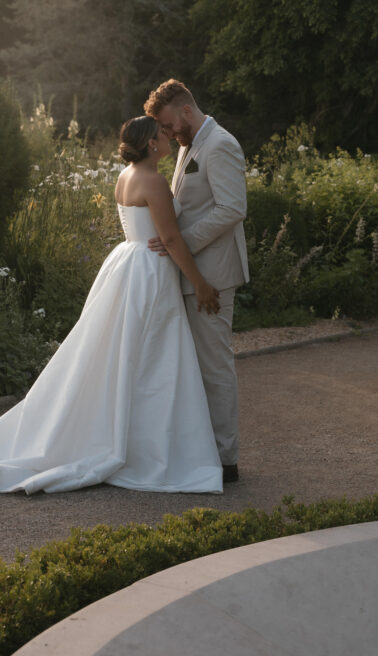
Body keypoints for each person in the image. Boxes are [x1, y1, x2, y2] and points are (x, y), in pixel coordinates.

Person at [0, 116, 224, 494]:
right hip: (148, 271)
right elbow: (172, 240)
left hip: (129, 263)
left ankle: (128, 432)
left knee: (126, 354)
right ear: (148, 143)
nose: (168, 137)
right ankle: (145, 446)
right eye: (161, 134)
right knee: (148, 355)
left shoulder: (125, 176)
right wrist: (201, 285)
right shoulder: (154, 180)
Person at [144, 80, 248, 483]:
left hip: (214, 275)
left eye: (169, 124)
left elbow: (232, 209)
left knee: (215, 366)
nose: (168, 134)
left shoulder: (219, 144)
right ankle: (203, 452)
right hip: (193, 270)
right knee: (196, 367)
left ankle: (226, 462)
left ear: (186, 110)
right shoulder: (189, 144)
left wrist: (178, 244)